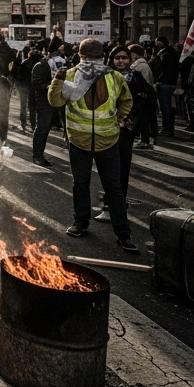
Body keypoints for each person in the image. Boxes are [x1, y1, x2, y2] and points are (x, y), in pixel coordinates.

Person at [48, 37, 137, 252]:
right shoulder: (70, 75)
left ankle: (122, 233)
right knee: (82, 184)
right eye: (88, 59)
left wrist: (120, 118)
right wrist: (58, 81)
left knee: (112, 188)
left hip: (108, 140)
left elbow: (126, 100)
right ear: (81, 57)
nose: (90, 64)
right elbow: (55, 101)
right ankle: (81, 222)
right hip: (80, 140)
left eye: (94, 59)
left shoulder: (114, 77)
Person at [94, 46, 152, 223]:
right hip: (105, 128)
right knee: (106, 168)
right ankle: (109, 205)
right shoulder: (104, 75)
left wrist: (130, 120)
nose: (121, 61)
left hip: (125, 129)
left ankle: (116, 206)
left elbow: (148, 98)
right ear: (111, 59)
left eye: (124, 58)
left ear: (130, 59)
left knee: (122, 168)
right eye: (117, 58)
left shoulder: (136, 76)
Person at [28, 48, 54, 167]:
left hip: (59, 101)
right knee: (43, 128)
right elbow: (37, 83)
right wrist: (49, 87)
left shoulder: (64, 64)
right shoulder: (40, 66)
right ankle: (37, 156)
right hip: (44, 101)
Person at [150, 36, 179, 136]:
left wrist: (158, 80)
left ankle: (166, 128)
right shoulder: (173, 54)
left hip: (164, 84)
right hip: (171, 83)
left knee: (165, 107)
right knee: (169, 107)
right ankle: (169, 127)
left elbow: (162, 70)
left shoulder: (165, 55)